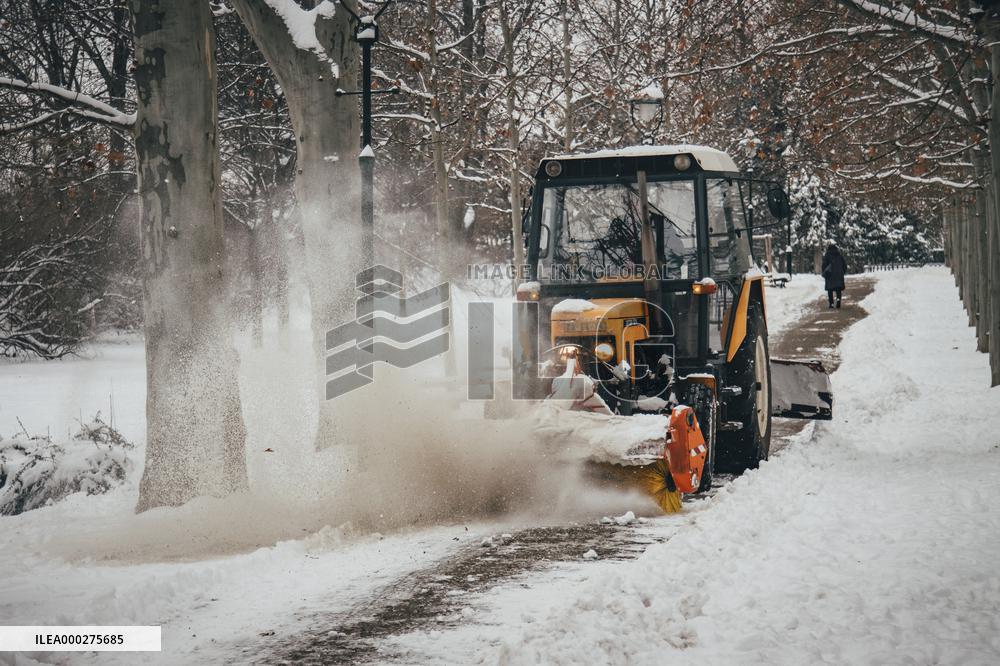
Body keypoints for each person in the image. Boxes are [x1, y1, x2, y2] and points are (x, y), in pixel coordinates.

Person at [822, 243, 847, 308]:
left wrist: (824, 273)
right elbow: (844, 265)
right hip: (839, 275)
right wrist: (842, 272)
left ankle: (831, 303)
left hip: (830, 275)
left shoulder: (827, 256)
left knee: (830, 290)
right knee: (838, 290)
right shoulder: (839, 255)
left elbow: (824, 265)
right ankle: (838, 301)